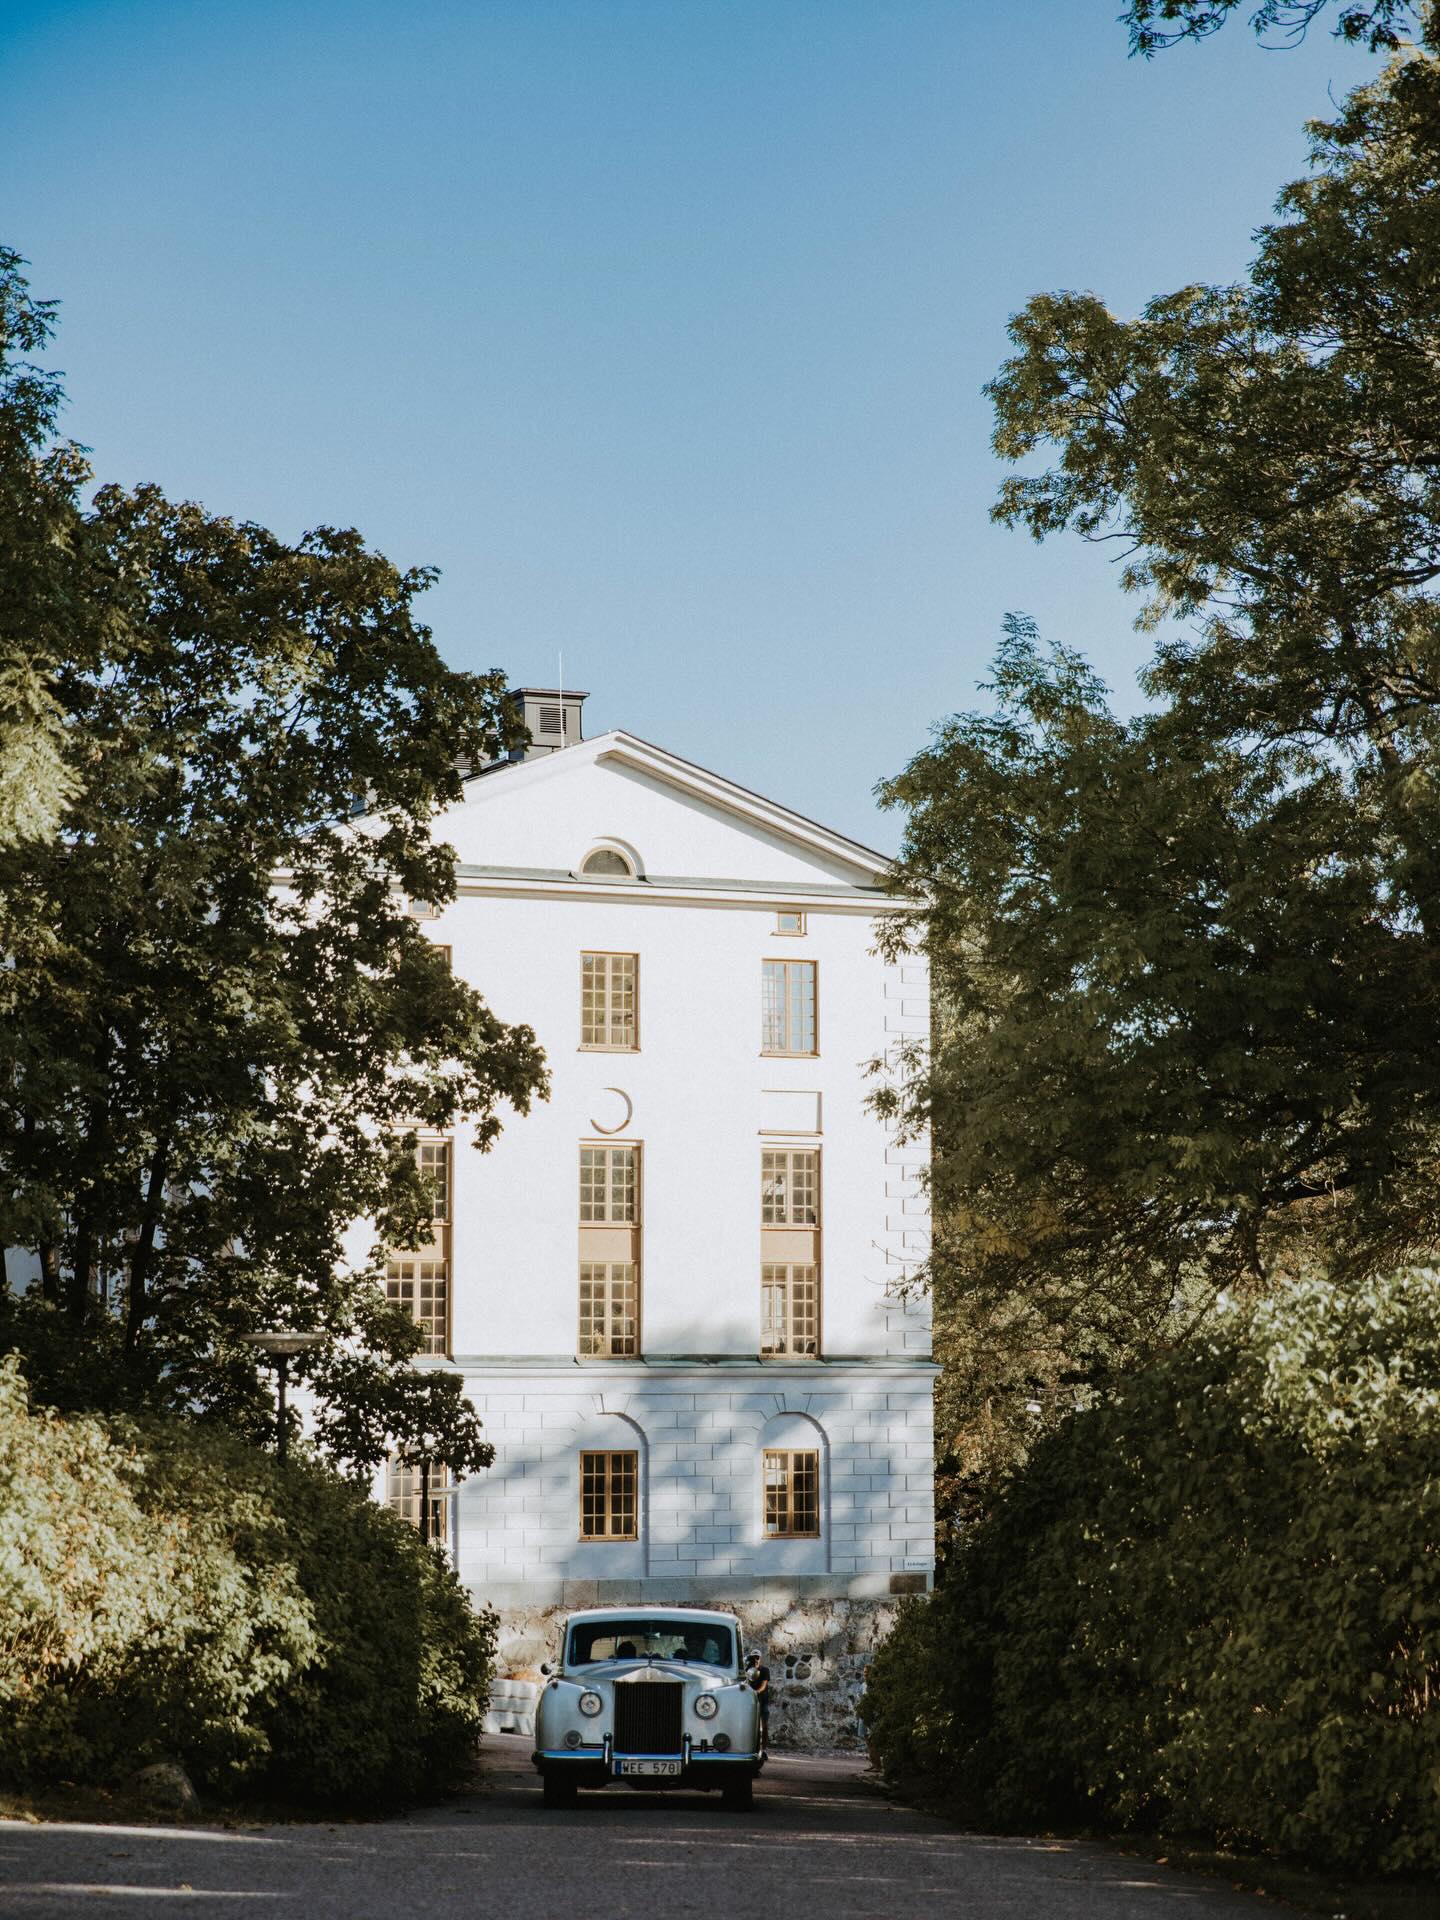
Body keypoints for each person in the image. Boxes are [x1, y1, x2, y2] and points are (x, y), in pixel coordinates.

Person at [745, 1649, 771, 1753]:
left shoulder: (764, 1670)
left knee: (764, 1725)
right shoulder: (747, 1670)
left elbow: (763, 1686)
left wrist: (754, 1692)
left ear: (761, 1658)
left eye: (758, 1657)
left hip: (761, 1701)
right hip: (749, 1702)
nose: (756, 1659)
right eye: (754, 1657)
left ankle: (764, 1749)